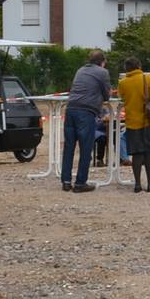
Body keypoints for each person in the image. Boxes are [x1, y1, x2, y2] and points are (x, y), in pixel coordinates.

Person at [63, 49, 112, 192]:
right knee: (86, 148)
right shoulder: (103, 73)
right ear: (102, 62)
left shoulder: (80, 70)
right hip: (86, 112)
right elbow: (107, 96)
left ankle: (66, 181)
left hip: (70, 109)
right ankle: (80, 183)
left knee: (69, 147)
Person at [118, 62, 150, 193]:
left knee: (137, 153)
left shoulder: (122, 83)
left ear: (126, 68)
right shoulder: (146, 78)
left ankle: (137, 184)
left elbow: (121, 98)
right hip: (148, 121)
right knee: (149, 152)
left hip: (132, 123)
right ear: (139, 66)